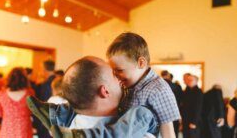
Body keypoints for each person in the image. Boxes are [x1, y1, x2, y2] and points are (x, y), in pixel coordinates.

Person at [29, 32, 180, 138]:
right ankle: (55, 113)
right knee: (79, 101)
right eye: (114, 73)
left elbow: (169, 129)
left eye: (119, 71)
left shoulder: (158, 88)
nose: (118, 77)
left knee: (143, 113)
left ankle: (56, 115)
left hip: (142, 126)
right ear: (105, 91)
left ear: (141, 63)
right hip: (123, 123)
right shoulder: (129, 83)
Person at [27, 56, 157, 138]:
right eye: (114, 75)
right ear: (105, 91)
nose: (120, 80)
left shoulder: (69, 126)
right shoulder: (138, 132)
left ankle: (53, 114)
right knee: (144, 113)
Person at [0, 67, 34, 138]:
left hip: (7, 130)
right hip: (24, 130)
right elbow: (32, 111)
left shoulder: (2, 94)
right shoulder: (30, 93)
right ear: (24, 79)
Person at [36, 59, 56, 138]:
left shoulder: (47, 84)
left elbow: (43, 103)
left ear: (44, 69)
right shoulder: (57, 80)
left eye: (41, 68)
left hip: (47, 119)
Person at [161, 70, 182, 138]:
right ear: (169, 76)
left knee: (163, 132)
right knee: (174, 131)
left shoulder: (158, 85)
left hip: (162, 112)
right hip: (175, 111)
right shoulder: (177, 86)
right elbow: (180, 100)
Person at [182, 74, 203, 138]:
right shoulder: (187, 90)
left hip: (193, 121)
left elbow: (198, 108)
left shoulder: (198, 92)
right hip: (185, 120)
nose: (188, 81)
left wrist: (194, 122)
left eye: (191, 80)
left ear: (196, 81)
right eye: (188, 80)